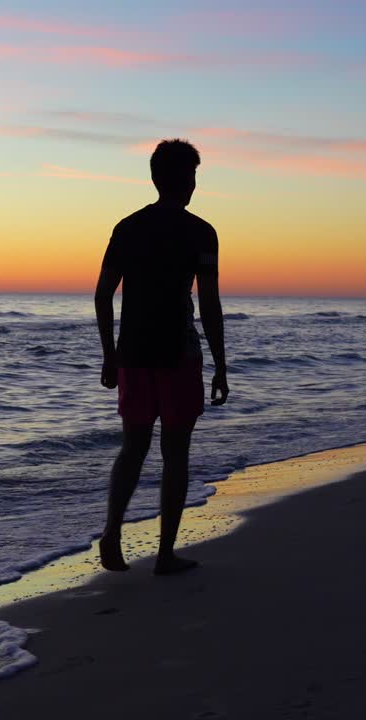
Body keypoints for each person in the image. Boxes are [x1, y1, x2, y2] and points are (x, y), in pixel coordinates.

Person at [93, 138, 228, 576]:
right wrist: (221, 363)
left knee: (133, 447)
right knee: (176, 453)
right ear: (187, 180)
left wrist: (109, 355)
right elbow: (208, 304)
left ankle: (113, 531)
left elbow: (102, 294)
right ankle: (164, 554)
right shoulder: (201, 232)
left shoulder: (128, 227)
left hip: (132, 353)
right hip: (178, 354)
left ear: (154, 178)